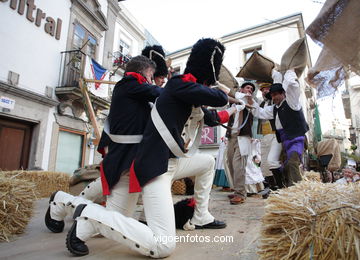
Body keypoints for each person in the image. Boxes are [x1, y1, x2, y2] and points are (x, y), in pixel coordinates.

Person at [65, 38, 236, 258]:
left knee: (208, 162)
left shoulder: (184, 90)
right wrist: (223, 90)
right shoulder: (177, 84)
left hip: (171, 162)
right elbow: (219, 98)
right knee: (163, 246)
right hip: (155, 166)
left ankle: (201, 215)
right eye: (157, 76)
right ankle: (88, 214)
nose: (160, 80)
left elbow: (210, 115)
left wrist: (231, 110)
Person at [44, 56, 162, 234]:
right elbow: (159, 93)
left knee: (116, 217)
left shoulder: (136, 88)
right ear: (144, 72)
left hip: (134, 153)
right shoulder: (129, 84)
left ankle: (66, 205)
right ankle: (61, 202)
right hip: (124, 152)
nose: (153, 79)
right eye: (151, 75)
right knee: (112, 216)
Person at [252, 69, 309, 187]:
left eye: (277, 94)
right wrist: (248, 101)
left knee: (292, 163)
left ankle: (296, 191)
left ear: (283, 93)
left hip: (296, 139)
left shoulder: (291, 102)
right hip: (284, 141)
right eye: (272, 95)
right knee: (277, 163)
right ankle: (282, 187)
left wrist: (289, 72)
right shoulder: (274, 109)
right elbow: (258, 113)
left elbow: (293, 86)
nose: (274, 97)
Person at [225, 82, 257, 205]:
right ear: (241, 89)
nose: (250, 90)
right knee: (231, 163)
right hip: (231, 136)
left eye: (252, 89)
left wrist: (248, 99)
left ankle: (240, 194)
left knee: (238, 165)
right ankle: (236, 189)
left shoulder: (251, 102)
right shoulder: (234, 101)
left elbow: (254, 108)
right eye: (247, 88)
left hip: (243, 137)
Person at [256, 82, 283, 198]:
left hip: (275, 134)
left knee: (273, 161)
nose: (264, 92)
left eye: (266, 89)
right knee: (265, 163)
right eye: (262, 90)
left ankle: (279, 186)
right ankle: (271, 187)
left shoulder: (275, 101)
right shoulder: (262, 103)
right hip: (264, 135)